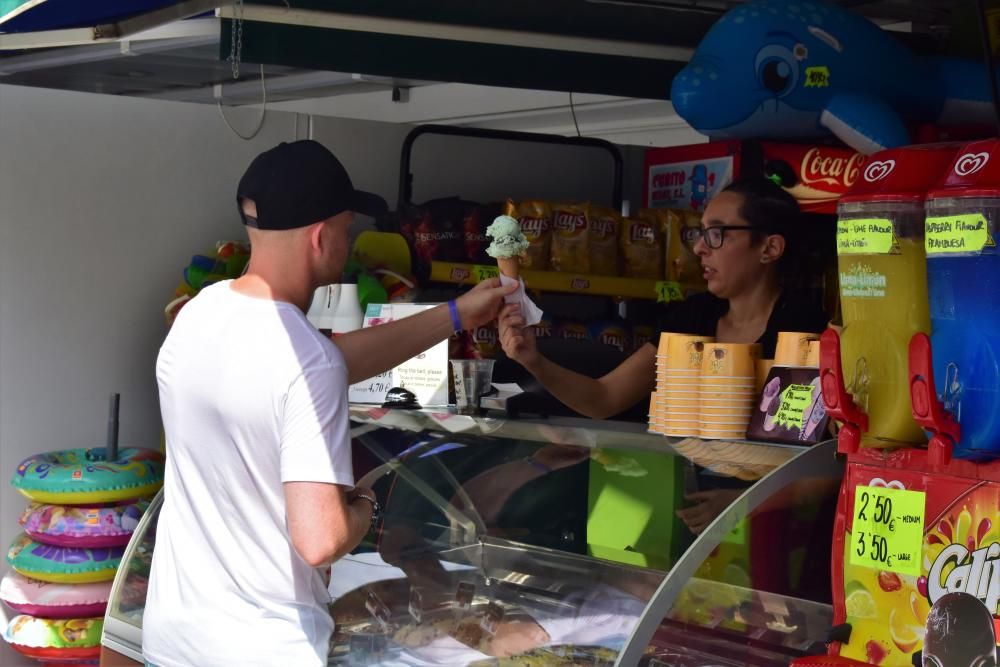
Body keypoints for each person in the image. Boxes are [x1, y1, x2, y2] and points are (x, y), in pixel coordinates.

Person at [142, 140, 516, 667]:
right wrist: (369, 504)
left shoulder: (199, 315)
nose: (348, 240)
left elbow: (326, 362)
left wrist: (456, 314)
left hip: (174, 638)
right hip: (264, 649)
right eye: (346, 228)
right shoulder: (305, 363)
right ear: (321, 237)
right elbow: (321, 541)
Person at [498, 178, 829, 532]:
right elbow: (604, 398)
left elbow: (822, 463)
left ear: (770, 247)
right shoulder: (691, 319)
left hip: (778, 526)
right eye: (700, 234)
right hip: (688, 511)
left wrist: (746, 503)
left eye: (717, 234)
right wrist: (533, 360)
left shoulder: (806, 333)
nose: (700, 248)